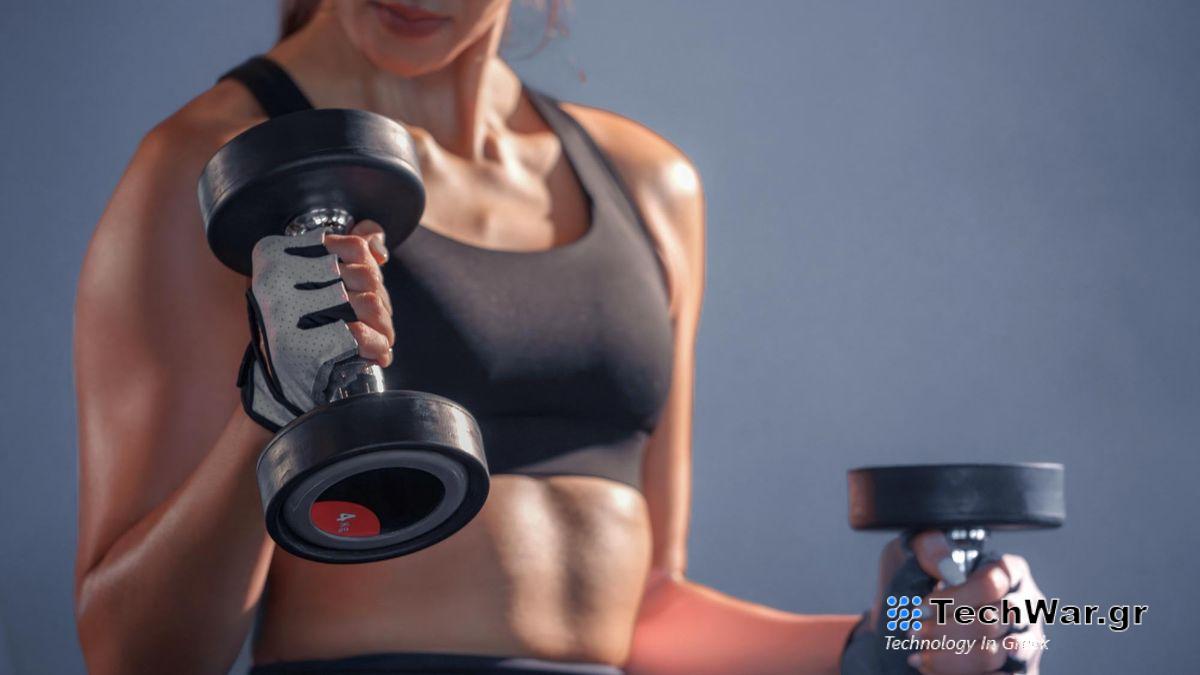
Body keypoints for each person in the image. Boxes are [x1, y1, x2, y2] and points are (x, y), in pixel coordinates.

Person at [73, 2, 1047, 673]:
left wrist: (891, 644)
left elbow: (645, 609)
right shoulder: (208, 169)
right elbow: (135, 653)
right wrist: (271, 417)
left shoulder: (651, 185)